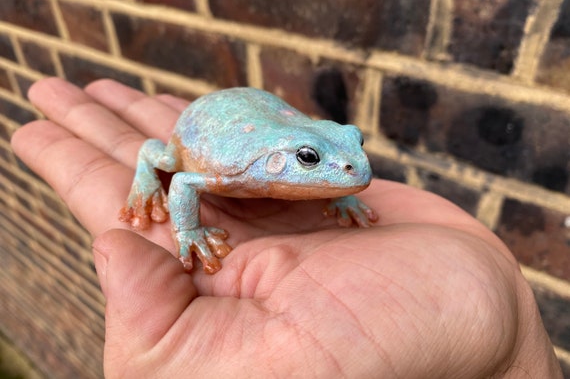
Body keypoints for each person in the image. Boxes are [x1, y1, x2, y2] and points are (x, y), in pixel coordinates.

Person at [11, 78, 562, 378]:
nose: (353, 168)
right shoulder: (233, 169)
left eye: (356, 146)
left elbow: (335, 153)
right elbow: (184, 184)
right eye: (308, 160)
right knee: (160, 156)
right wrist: (187, 232)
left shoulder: (329, 158)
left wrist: (340, 190)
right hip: (207, 130)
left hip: (267, 119)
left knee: (328, 156)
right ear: (282, 158)